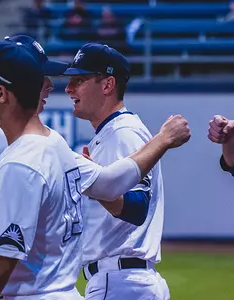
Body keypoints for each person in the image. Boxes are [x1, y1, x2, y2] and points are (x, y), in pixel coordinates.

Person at [0, 35, 191, 299]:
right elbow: (110, 183)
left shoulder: (20, 161)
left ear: (2, 92)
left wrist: (163, 140)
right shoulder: (56, 145)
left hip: (36, 291)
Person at [63, 42, 170, 299]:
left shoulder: (123, 132)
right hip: (124, 280)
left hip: (122, 281)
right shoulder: (111, 133)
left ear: (108, 85)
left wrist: (94, 182)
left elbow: (136, 207)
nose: (68, 88)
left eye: (79, 80)